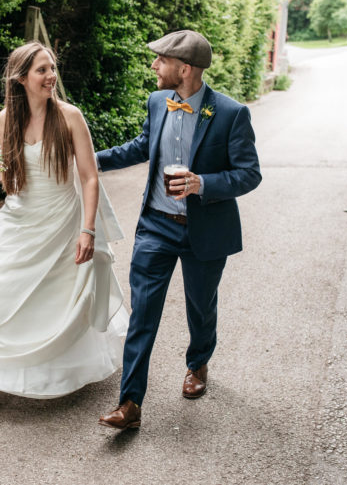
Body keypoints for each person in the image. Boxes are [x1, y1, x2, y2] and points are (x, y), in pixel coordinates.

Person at [96, 30, 261, 429]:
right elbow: (141, 146)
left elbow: (249, 173)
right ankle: (130, 404)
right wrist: (90, 160)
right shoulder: (157, 102)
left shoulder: (231, 113)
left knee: (200, 307)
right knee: (142, 314)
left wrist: (202, 183)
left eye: (161, 60)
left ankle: (198, 363)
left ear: (185, 69)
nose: (154, 66)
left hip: (205, 230)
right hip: (156, 226)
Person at [0, 41, 127, 413]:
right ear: (21, 78)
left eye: (52, 68)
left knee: (58, 299)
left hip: (63, 219)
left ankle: (54, 371)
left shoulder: (70, 116)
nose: (51, 76)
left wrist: (88, 230)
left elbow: (89, 178)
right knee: (1, 292)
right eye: (42, 70)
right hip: (20, 221)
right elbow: (7, 177)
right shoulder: (6, 119)